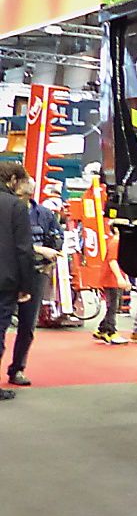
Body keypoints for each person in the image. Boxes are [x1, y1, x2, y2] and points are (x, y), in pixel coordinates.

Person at [6, 170, 62, 387]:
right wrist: (39, 250)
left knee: (28, 325)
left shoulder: (44, 214)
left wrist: (50, 258)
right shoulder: (9, 210)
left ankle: (18, 368)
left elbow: (56, 237)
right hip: (9, 272)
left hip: (37, 272)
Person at [0, 162, 37, 402]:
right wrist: (26, 286)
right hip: (4, 281)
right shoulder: (15, 206)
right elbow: (24, 250)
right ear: (13, 180)